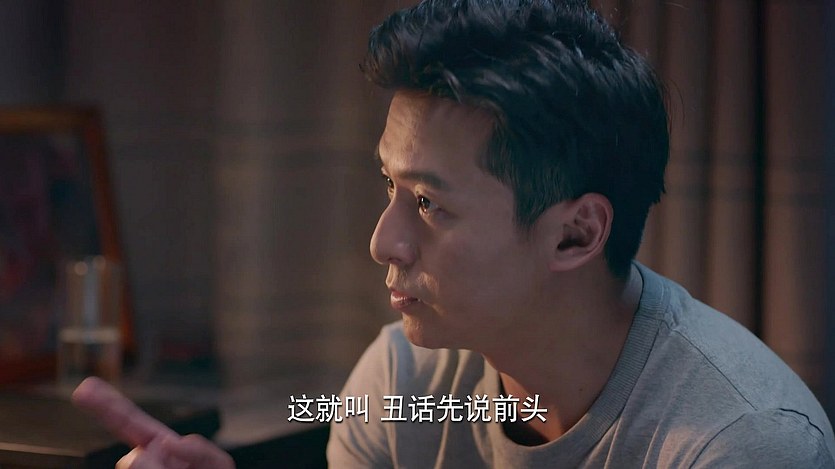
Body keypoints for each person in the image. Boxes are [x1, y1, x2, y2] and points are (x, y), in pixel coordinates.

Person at [74, 0, 835, 467]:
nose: (384, 242)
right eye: (390, 188)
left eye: (430, 203)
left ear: (575, 234)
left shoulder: (742, 441)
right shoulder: (406, 384)